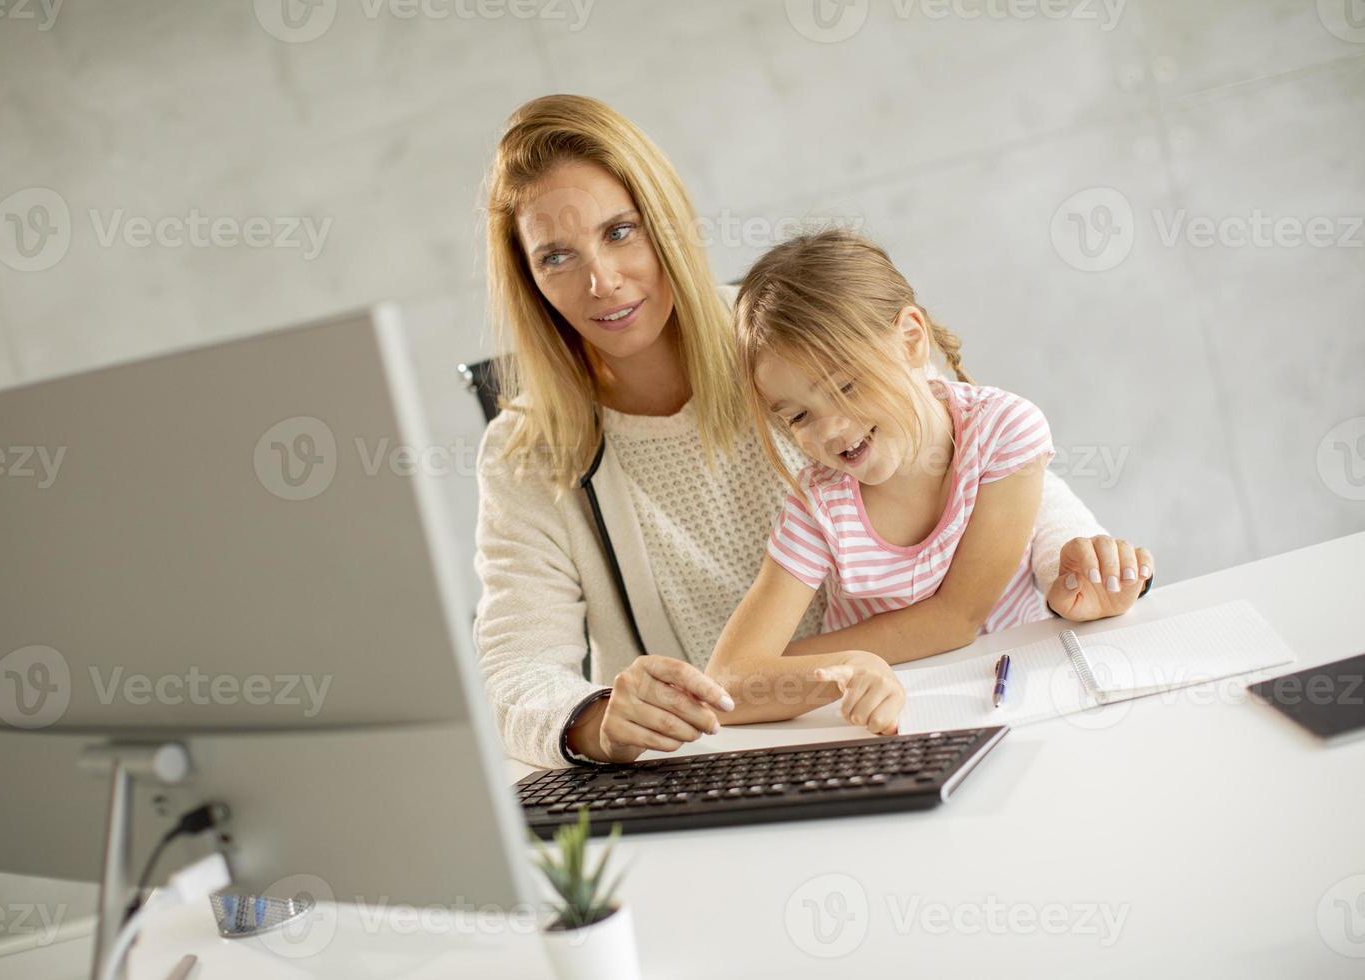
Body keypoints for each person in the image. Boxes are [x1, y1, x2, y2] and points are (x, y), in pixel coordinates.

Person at [474, 94, 1150, 769]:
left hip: (889, 712)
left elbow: (970, 454)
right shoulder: (522, 453)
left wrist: (1068, 558)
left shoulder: (781, 344)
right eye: (555, 258)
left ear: (666, 225)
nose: (602, 281)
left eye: (620, 231)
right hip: (709, 758)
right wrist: (594, 721)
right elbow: (517, 669)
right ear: (529, 281)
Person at [705, 230, 1154, 736]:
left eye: (846, 385)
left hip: (1029, 701)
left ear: (911, 339)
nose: (830, 429)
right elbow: (727, 680)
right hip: (889, 727)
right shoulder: (819, 506)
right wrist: (838, 673)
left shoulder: (1002, 431)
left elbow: (956, 618)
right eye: (798, 416)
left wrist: (818, 662)